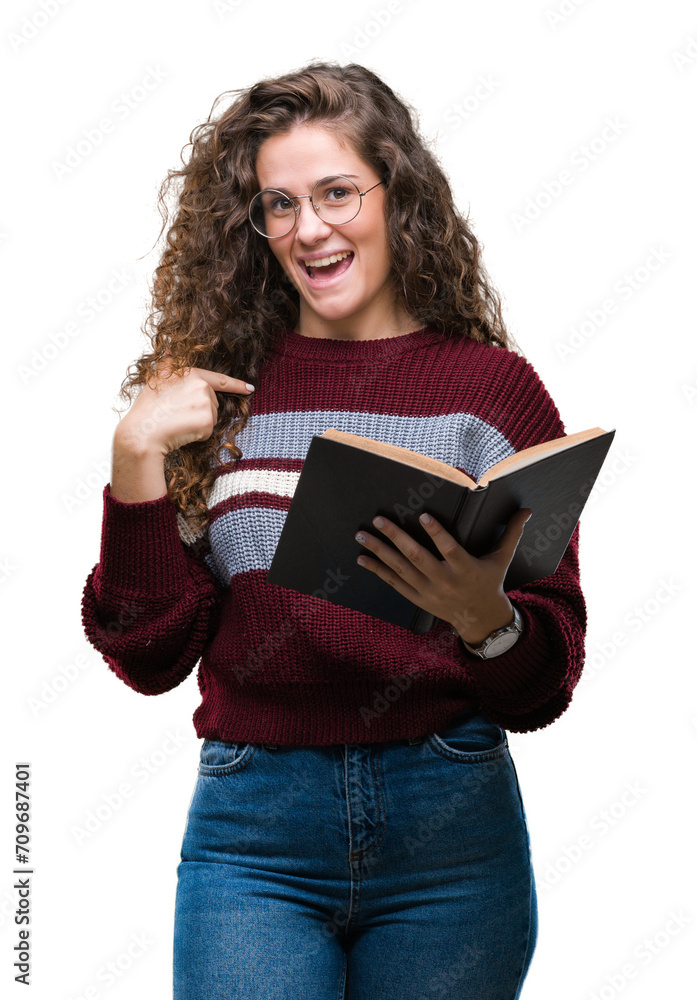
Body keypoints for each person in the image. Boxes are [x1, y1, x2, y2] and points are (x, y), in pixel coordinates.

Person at [81, 60, 587, 1000]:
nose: (308, 228)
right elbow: (148, 654)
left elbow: (545, 680)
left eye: (335, 193)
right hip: (254, 834)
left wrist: (486, 618)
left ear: (399, 195)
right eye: (278, 204)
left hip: (451, 832)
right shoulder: (220, 390)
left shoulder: (492, 391)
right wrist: (135, 457)